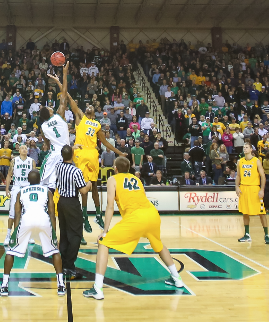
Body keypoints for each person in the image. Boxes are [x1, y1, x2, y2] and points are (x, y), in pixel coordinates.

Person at [83, 157, 184, 300]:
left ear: (115, 168)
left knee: (104, 243)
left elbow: (110, 206)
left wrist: (105, 231)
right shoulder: (136, 179)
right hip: (152, 214)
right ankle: (177, 278)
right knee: (159, 245)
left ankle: (97, 288)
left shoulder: (113, 179)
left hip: (136, 217)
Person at [55, 79, 127, 232]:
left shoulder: (97, 125)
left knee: (94, 185)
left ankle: (98, 215)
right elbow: (69, 99)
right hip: (81, 153)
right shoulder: (81, 117)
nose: (88, 107)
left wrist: (120, 153)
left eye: (90, 106)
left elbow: (105, 143)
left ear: (94, 112)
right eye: (86, 106)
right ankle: (85, 216)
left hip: (93, 154)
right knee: (83, 186)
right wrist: (61, 84)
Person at [2, 170, 65, 297]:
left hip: (27, 220)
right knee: (54, 251)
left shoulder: (21, 192)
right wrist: (53, 232)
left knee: (10, 251)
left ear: (28, 180)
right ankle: (61, 285)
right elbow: (52, 213)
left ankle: (4, 286)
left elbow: (17, 214)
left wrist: (15, 233)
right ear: (39, 179)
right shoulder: (47, 191)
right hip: (43, 219)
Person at [55, 145, 90, 277]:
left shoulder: (58, 166)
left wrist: (71, 148)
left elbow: (63, 155)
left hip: (61, 202)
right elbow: (83, 191)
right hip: (72, 203)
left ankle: (64, 265)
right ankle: (69, 266)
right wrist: (89, 184)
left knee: (64, 234)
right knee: (75, 235)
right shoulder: (76, 171)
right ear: (73, 155)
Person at [236, 143, 269, 244]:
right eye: (244, 147)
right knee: (245, 212)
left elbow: (263, 176)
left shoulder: (256, 161)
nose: (245, 149)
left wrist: (262, 189)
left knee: (261, 212)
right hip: (244, 188)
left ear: (251, 149)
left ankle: (267, 235)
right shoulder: (240, 162)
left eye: (246, 147)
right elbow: (238, 176)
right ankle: (247, 234)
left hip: (254, 188)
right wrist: (237, 187)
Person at [4, 145, 34, 246]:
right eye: (22, 148)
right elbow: (9, 175)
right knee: (12, 213)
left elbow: (35, 176)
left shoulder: (31, 161)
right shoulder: (14, 161)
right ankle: (8, 235)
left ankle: (29, 235)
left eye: (26, 148)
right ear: (19, 150)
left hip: (28, 188)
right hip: (17, 188)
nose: (24, 149)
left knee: (29, 213)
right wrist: (7, 189)